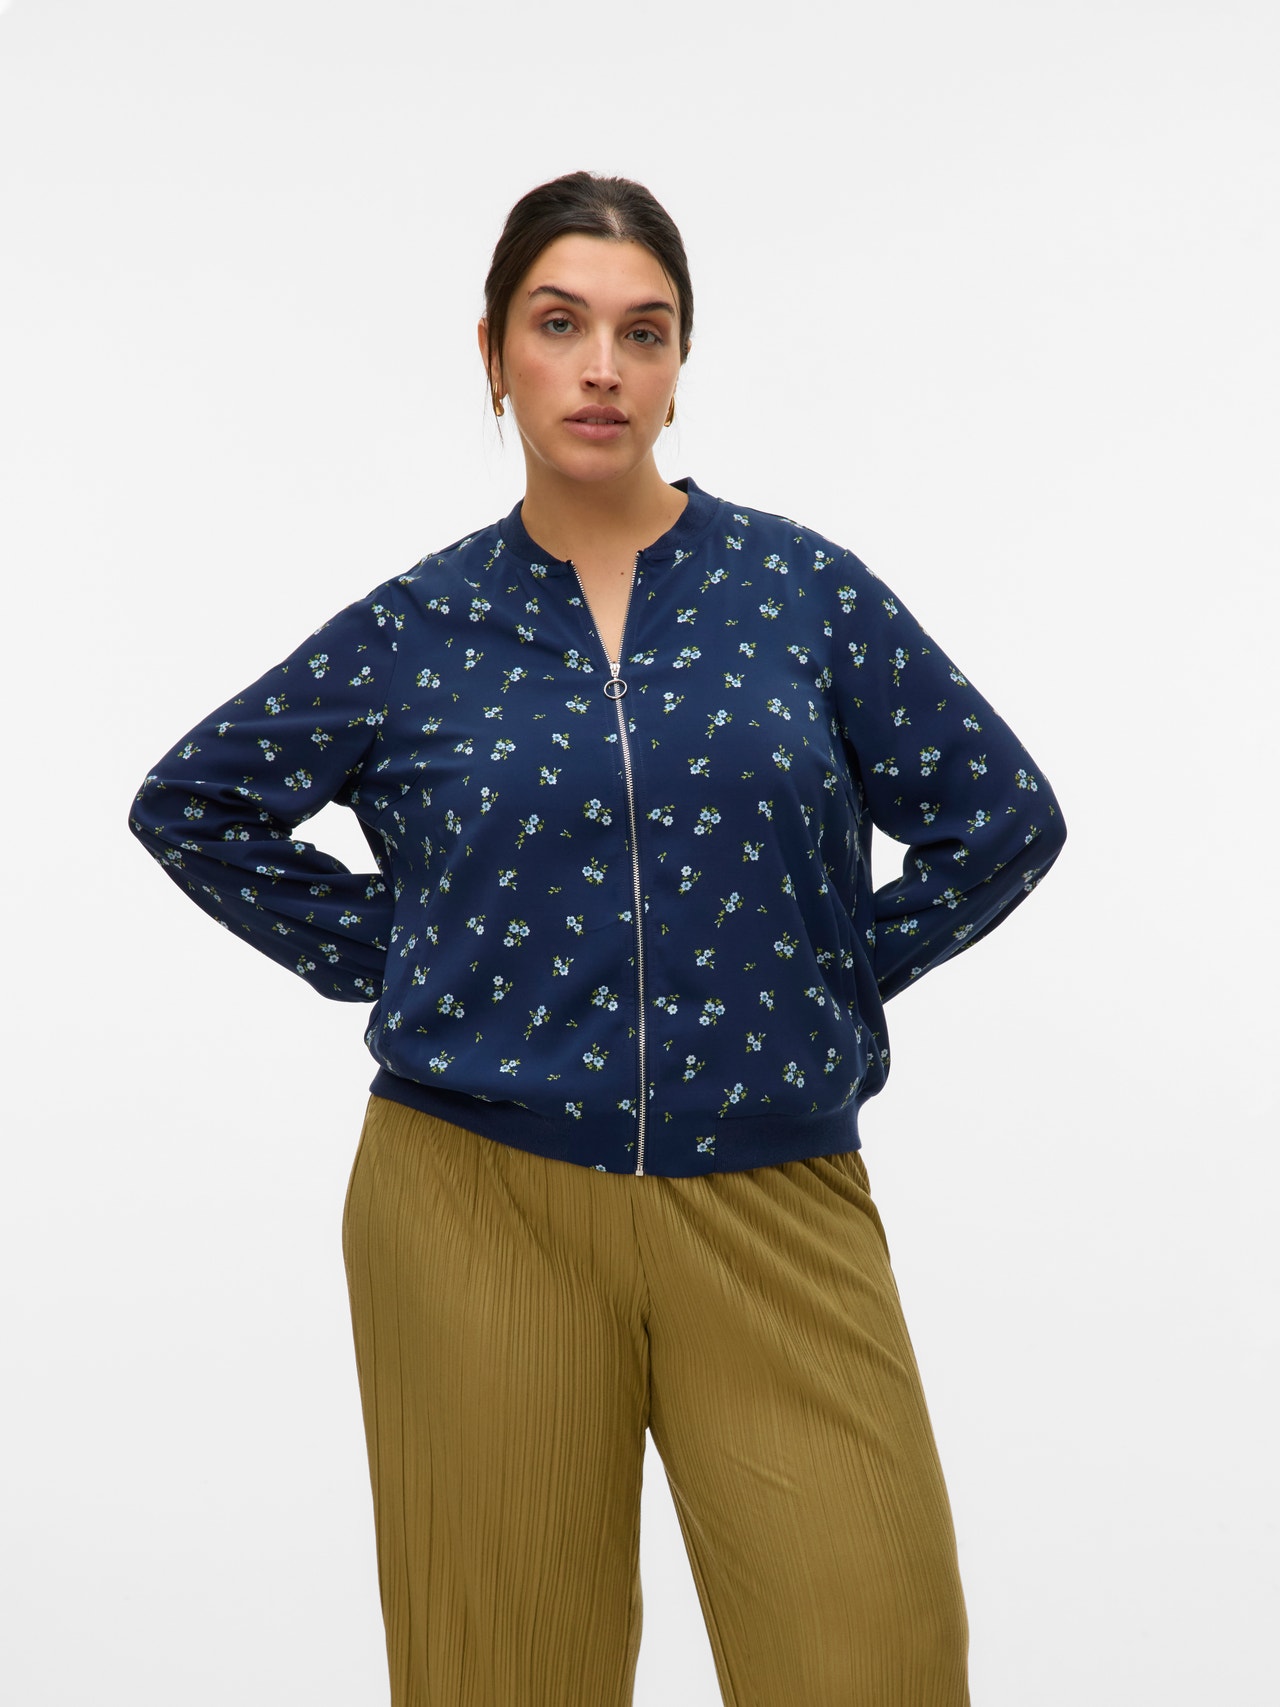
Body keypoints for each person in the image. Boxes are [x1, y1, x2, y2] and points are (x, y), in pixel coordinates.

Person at [129, 169, 1066, 1707]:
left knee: (875, 1661)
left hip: (776, 1197)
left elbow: (1001, 817)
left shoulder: (798, 592)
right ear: (494, 354)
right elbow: (194, 805)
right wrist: (410, 959)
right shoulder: (420, 628)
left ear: (681, 365)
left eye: (644, 331)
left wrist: (825, 972)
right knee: (503, 1675)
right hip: (470, 1200)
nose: (602, 367)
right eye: (559, 324)